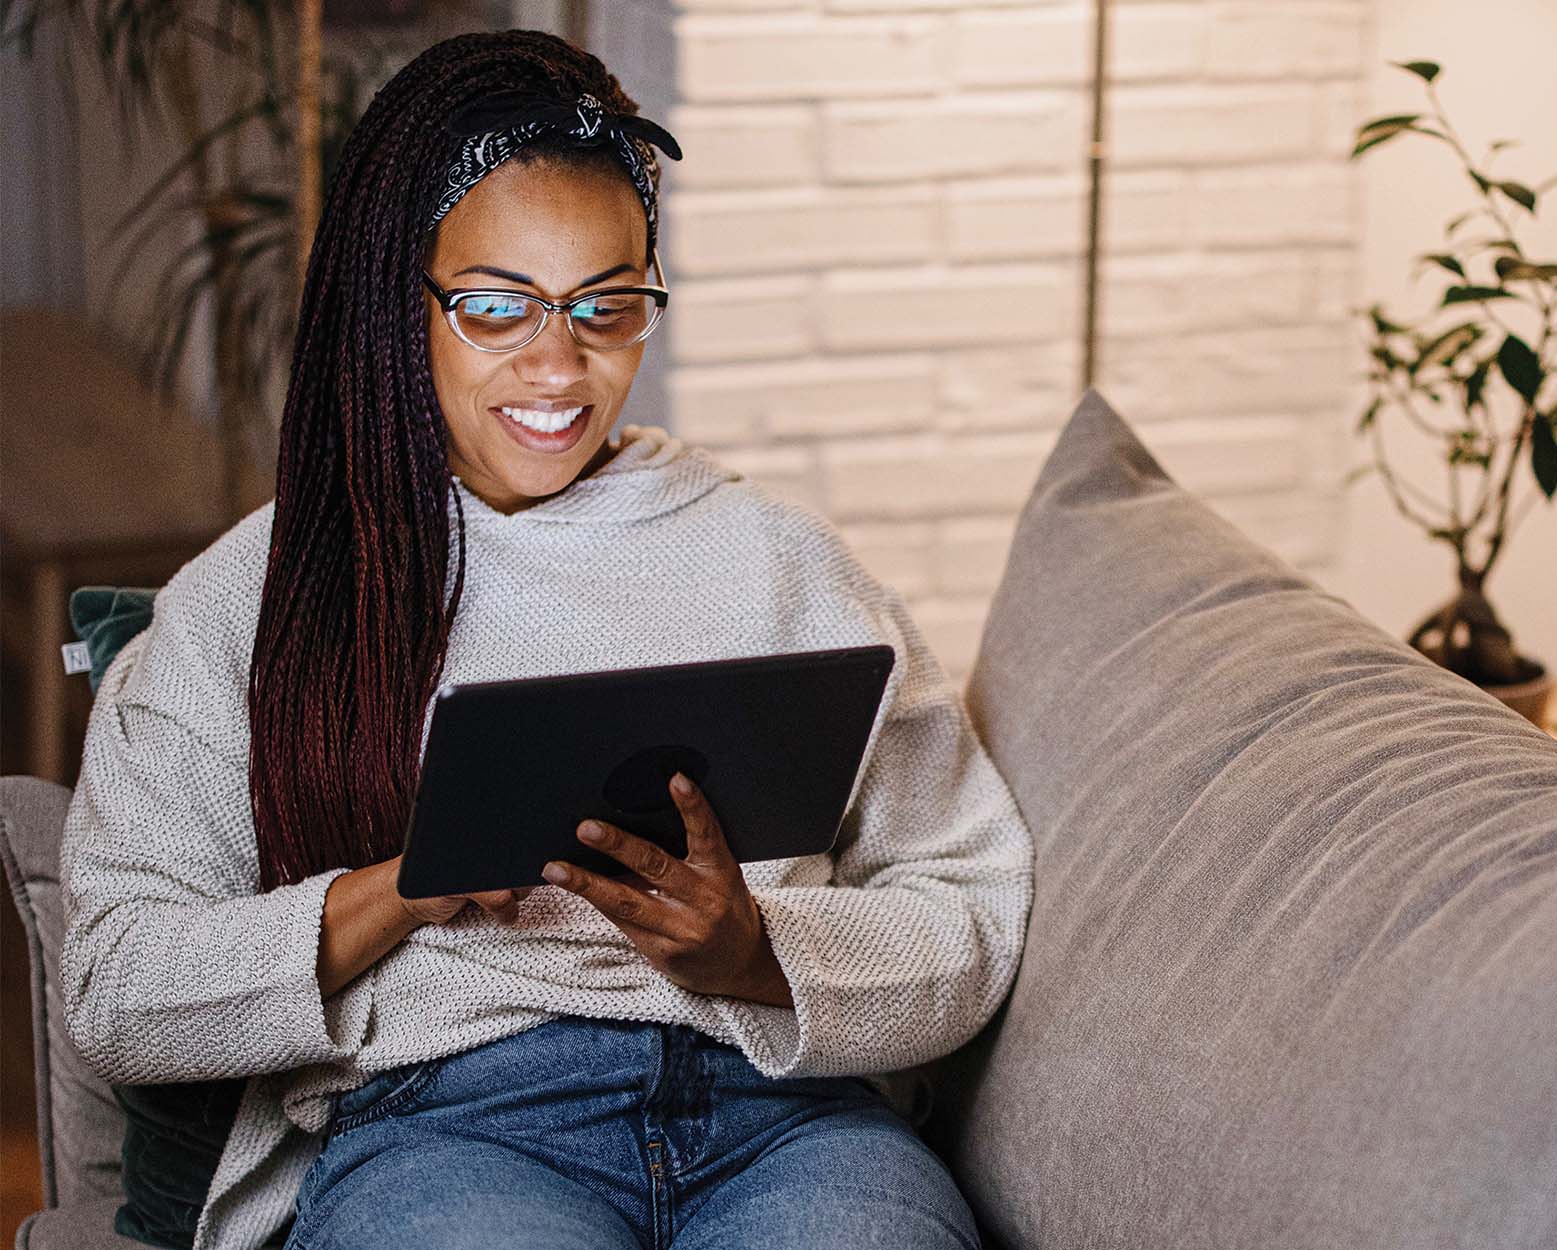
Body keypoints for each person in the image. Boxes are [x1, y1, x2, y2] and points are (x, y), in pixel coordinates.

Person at [57, 29, 1033, 1250]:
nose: (558, 364)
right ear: (396, 298)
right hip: (453, 1130)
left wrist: (758, 952)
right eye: (494, 305)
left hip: (786, 1121)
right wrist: (393, 894)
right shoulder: (258, 597)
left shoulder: (780, 563)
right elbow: (118, 988)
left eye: (606, 307)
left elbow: (971, 903)